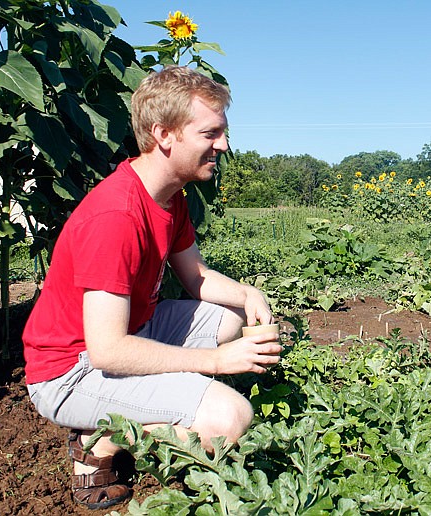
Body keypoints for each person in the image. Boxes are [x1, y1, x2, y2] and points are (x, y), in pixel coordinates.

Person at [22, 66, 283, 510]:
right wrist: (216, 361)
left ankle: (157, 397)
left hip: (129, 332)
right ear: (164, 134)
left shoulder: (167, 196)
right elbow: (106, 351)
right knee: (230, 418)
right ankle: (99, 442)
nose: (222, 144)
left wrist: (247, 294)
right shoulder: (117, 217)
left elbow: (195, 276)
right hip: (69, 371)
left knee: (230, 316)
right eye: (210, 132)